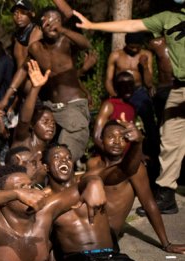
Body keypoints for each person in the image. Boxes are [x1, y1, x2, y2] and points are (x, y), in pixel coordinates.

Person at [46, 143, 185, 261]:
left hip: (112, 257)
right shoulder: (45, 200)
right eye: (57, 157)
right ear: (46, 166)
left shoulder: (90, 181)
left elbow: (125, 169)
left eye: (68, 157)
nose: (64, 161)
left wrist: (136, 143)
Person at [73, 6, 185, 215]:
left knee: (155, 129)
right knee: (169, 138)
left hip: (152, 91)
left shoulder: (145, 56)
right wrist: (92, 25)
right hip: (179, 87)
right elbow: (132, 24)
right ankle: (167, 193)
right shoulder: (168, 17)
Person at [4, 7, 92, 164]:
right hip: (50, 108)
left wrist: (63, 30)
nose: (52, 24)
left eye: (56, 20)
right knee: (40, 148)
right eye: (48, 20)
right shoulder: (35, 48)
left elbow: (85, 44)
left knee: (64, 156)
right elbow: (24, 70)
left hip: (72, 106)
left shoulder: (66, 42)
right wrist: (6, 97)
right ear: (40, 25)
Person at [87, 121, 185, 253]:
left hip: (105, 235)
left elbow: (149, 203)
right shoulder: (93, 163)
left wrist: (166, 243)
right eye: (111, 137)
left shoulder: (136, 169)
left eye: (122, 138)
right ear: (101, 140)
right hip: (86, 227)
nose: (117, 142)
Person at [105, 32, 160, 181]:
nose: (135, 50)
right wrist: (114, 97)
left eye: (137, 47)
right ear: (126, 44)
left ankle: (153, 157)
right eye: (131, 47)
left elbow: (149, 83)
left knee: (150, 125)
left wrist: (144, 67)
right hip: (119, 92)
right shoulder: (116, 56)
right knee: (118, 123)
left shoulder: (146, 54)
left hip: (138, 92)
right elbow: (109, 80)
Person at [10, 60, 55, 157]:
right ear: (32, 125)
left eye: (53, 123)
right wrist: (35, 88)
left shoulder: (50, 152)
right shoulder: (23, 139)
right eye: (45, 122)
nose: (51, 125)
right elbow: (24, 120)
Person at [92, 71, 137, 150]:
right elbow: (97, 137)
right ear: (116, 88)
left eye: (130, 85)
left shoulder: (132, 107)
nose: (128, 88)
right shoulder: (109, 105)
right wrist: (113, 158)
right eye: (124, 85)